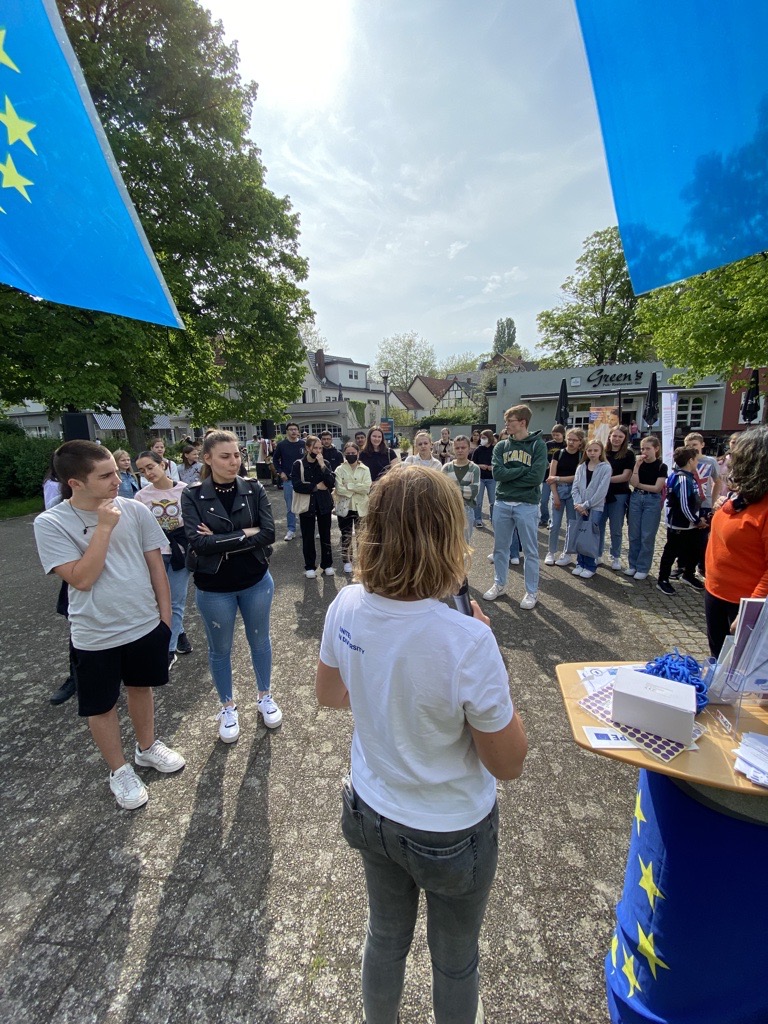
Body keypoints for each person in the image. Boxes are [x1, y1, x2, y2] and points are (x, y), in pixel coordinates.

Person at [316, 464, 528, 1024]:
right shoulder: (466, 637)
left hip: (370, 807)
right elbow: (507, 763)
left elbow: (332, 696)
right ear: (448, 535)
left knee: (383, 938)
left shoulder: (346, 603)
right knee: (455, 960)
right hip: (450, 829)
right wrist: (488, 651)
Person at [33, 440, 185, 810]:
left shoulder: (135, 510)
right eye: (106, 475)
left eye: (117, 472)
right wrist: (102, 527)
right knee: (100, 705)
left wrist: (165, 621)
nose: (119, 479)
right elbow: (81, 579)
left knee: (141, 688)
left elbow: (156, 568)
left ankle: (147, 748)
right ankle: (118, 770)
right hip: (95, 633)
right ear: (76, 483)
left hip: (144, 625)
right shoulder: (50, 523)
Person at [181, 430, 281, 743]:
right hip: (214, 587)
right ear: (207, 458)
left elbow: (267, 535)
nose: (234, 461)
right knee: (220, 650)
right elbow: (197, 542)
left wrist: (219, 540)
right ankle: (227, 706)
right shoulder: (192, 494)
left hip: (255, 581)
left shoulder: (253, 489)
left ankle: (264, 696)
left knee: (260, 641)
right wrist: (243, 534)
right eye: (225, 456)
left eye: (237, 454)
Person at [704, 427, 768, 657]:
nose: (728, 461)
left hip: (743, 605)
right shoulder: (745, 495)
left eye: (736, 456)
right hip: (716, 593)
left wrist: (752, 609)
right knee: (717, 658)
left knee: (737, 672)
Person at [483, 405, 547, 610]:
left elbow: (537, 477)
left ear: (522, 422)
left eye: (510, 422)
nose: (506, 425)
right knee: (500, 548)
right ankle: (499, 584)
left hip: (527, 505)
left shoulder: (538, 445)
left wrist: (512, 476)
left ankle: (531, 592)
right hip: (502, 502)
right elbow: (497, 475)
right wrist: (521, 471)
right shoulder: (501, 447)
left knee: (530, 551)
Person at [135, 450, 192, 664]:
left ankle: (168, 650)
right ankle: (180, 634)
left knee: (176, 600)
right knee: (160, 600)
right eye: (142, 471)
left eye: (150, 467)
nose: (148, 473)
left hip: (180, 551)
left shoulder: (185, 491)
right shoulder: (141, 496)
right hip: (155, 553)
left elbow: (195, 520)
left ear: (164, 465)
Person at [42, 455, 78, 706]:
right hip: (78, 582)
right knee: (78, 631)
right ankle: (76, 677)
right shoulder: (57, 509)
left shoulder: (121, 507)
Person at [670, 432, 722, 581]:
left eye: (695, 445)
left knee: (699, 540)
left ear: (702, 445)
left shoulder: (710, 462)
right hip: (688, 505)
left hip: (704, 505)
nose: (692, 448)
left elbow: (717, 481)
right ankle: (681, 565)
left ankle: (693, 569)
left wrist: (712, 503)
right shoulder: (681, 461)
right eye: (688, 445)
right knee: (683, 538)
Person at [656, 446, 706, 596]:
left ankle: (688, 575)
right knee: (671, 551)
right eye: (696, 459)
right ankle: (662, 580)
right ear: (690, 460)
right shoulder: (682, 479)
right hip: (680, 524)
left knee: (694, 549)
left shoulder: (688, 476)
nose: (697, 462)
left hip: (691, 524)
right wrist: (696, 521)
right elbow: (683, 504)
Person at [292, 434, 336, 577]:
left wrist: (323, 465)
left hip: (324, 504)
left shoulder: (326, 463)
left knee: (325, 535)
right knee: (308, 536)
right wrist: (316, 486)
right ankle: (310, 566)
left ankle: (327, 564)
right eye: (315, 448)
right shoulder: (298, 464)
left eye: (320, 448)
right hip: (307, 505)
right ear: (307, 448)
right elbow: (297, 485)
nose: (318, 451)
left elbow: (331, 483)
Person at [625, 436, 667, 581]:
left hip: (651, 500)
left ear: (656, 449)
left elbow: (657, 488)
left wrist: (639, 486)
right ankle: (632, 565)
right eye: (642, 448)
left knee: (647, 535)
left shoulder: (661, 466)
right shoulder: (639, 464)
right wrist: (636, 466)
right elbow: (633, 482)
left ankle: (643, 567)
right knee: (633, 533)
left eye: (648, 448)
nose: (644, 451)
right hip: (636, 498)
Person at [569, 439, 611, 580]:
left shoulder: (605, 468)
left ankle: (590, 565)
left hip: (595, 507)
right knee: (580, 534)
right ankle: (580, 563)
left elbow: (601, 491)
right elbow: (575, 487)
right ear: (585, 451)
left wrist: (586, 505)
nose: (592, 453)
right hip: (580, 507)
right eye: (590, 450)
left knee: (591, 536)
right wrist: (578, 504)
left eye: (595, 450)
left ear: (601, 452)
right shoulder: (581, 467)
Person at [597, 424, 634, 571]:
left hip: (619, 495)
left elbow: (626, 476)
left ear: (624, 438)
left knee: (616, 528)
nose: (617, 439)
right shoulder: (603, 452)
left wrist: (605, 479)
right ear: (609, 436)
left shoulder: (628, 454)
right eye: (614, 435)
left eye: (620, 436)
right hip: (601, 495)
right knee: (598, 526)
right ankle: (597, 554)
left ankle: (615, 556)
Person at [545, 428, 585, 566]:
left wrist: (559, 478)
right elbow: (551, 477)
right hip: (558, 490)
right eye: (569, 439)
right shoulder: (558, 453)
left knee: (571, 524)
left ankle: (567, 553)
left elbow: (579, 478)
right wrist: (555, 495)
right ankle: (551, 551)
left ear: (580, 442)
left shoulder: (582, 456)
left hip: (574, 492)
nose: (571, 442)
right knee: (555, 524)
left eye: (575, 440)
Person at [334, 441, 372, 573]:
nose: (350, 455)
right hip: (345, 506)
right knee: (346, 534)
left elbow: (367, 487)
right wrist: (356, 488)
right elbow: (339, 488)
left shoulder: (365, 469)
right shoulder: (339, 469)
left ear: (358, 453)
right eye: (348, 453)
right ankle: (347, 560)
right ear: (344, 454)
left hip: (361, 507)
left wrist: (349, 486)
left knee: (361, 536)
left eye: (353, 453)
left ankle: (362, 560)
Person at [442, 435, 480, 541]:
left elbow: (473, 491)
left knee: (464, 544)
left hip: (467, 509)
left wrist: (451, 488)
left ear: (469, 448)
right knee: (448, 542)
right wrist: (463, 489)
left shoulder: (474, 468)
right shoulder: (446, 467)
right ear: (453, 449)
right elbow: (442, 491)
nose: (460, 450)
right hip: (449, 509)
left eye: (463, 448)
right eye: (457, 448)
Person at [273, 422, 305, 540]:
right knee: (290, 507)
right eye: (290, 429)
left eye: (295, 429)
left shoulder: (303, 444)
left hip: (302, 480)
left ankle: (304, 529)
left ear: (298, 431)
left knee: (303, 505)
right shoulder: (282, 445)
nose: (293, 431)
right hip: (288, 480)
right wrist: (280, 472)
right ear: (287, 431)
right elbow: (275, 460)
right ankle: (291, 529)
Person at [540, 425, 566, 527]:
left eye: (557, 435)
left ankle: (553, 521)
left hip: (560, 477)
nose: (555, 437)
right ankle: (544, 518)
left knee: (556, 500)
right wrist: (547, 465)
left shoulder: (565, 445)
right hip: (547, 476)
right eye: (553, 435)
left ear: (563, 434)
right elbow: (543, 457)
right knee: (543, 500)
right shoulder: (548, 444)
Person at [471, 428, 496, 529]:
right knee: (478, 500)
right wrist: (479, 465)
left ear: (489, 438)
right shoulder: (478, 449)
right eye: (481, 437)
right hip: (480, 478)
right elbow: (472, 463)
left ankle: (493, 519)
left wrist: (492, 467)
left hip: (492, 478)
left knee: (493, 501)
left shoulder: (495, 449)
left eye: (484, 437)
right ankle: (478, 519)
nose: (482, 439)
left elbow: (499, 463)